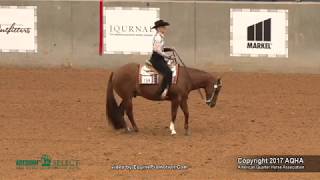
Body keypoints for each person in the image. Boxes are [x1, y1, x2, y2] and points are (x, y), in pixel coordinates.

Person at [150, 19, 175, 99]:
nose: (165, 28)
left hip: (159, 58)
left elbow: (161, 48)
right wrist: (168, 56)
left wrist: (169, 49)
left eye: (164, 27)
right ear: (159, 28)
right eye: (163, 27)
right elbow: (158, 51)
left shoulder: (160, 36)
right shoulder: (158, 38)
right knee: (169, 72)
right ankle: (163, 91)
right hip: (156, 59)